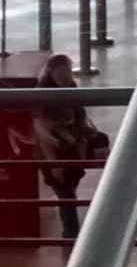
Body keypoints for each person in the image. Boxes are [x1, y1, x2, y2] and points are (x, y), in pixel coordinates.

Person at [35, 54, 108, 244]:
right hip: (55, 151)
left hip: (72, 146)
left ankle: (72, 232)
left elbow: (80, 118)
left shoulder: (71, 88)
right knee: (66, 192)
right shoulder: (43, 95)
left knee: (69, 189)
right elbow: (42, 132)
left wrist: (86, 141)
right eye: (62, 72)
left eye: (68, 71)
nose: (66, 76)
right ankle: (71, 235)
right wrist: (54, 163)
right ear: (51, 73)